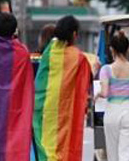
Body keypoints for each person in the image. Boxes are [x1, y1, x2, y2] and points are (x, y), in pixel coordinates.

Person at [33, 15, 92, 161]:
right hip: (64, 112)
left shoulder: (49, 52)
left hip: (42, 109)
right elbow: (85, 82)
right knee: (63, 148)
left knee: (45, 147)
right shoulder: (78, 57)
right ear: (74, 34)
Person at [0, 13, 35, 161]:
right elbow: (27, 81)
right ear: (14, 30)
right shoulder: (22, 52)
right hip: (16, 109)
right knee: (15, 147)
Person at [96, 31, 129, 161]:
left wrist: (97, 94)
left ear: (111, 49)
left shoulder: (105, 69)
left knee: (112, 155)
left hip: (112, 112)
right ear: (127, 49)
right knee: (125, 154)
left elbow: (105, 93)